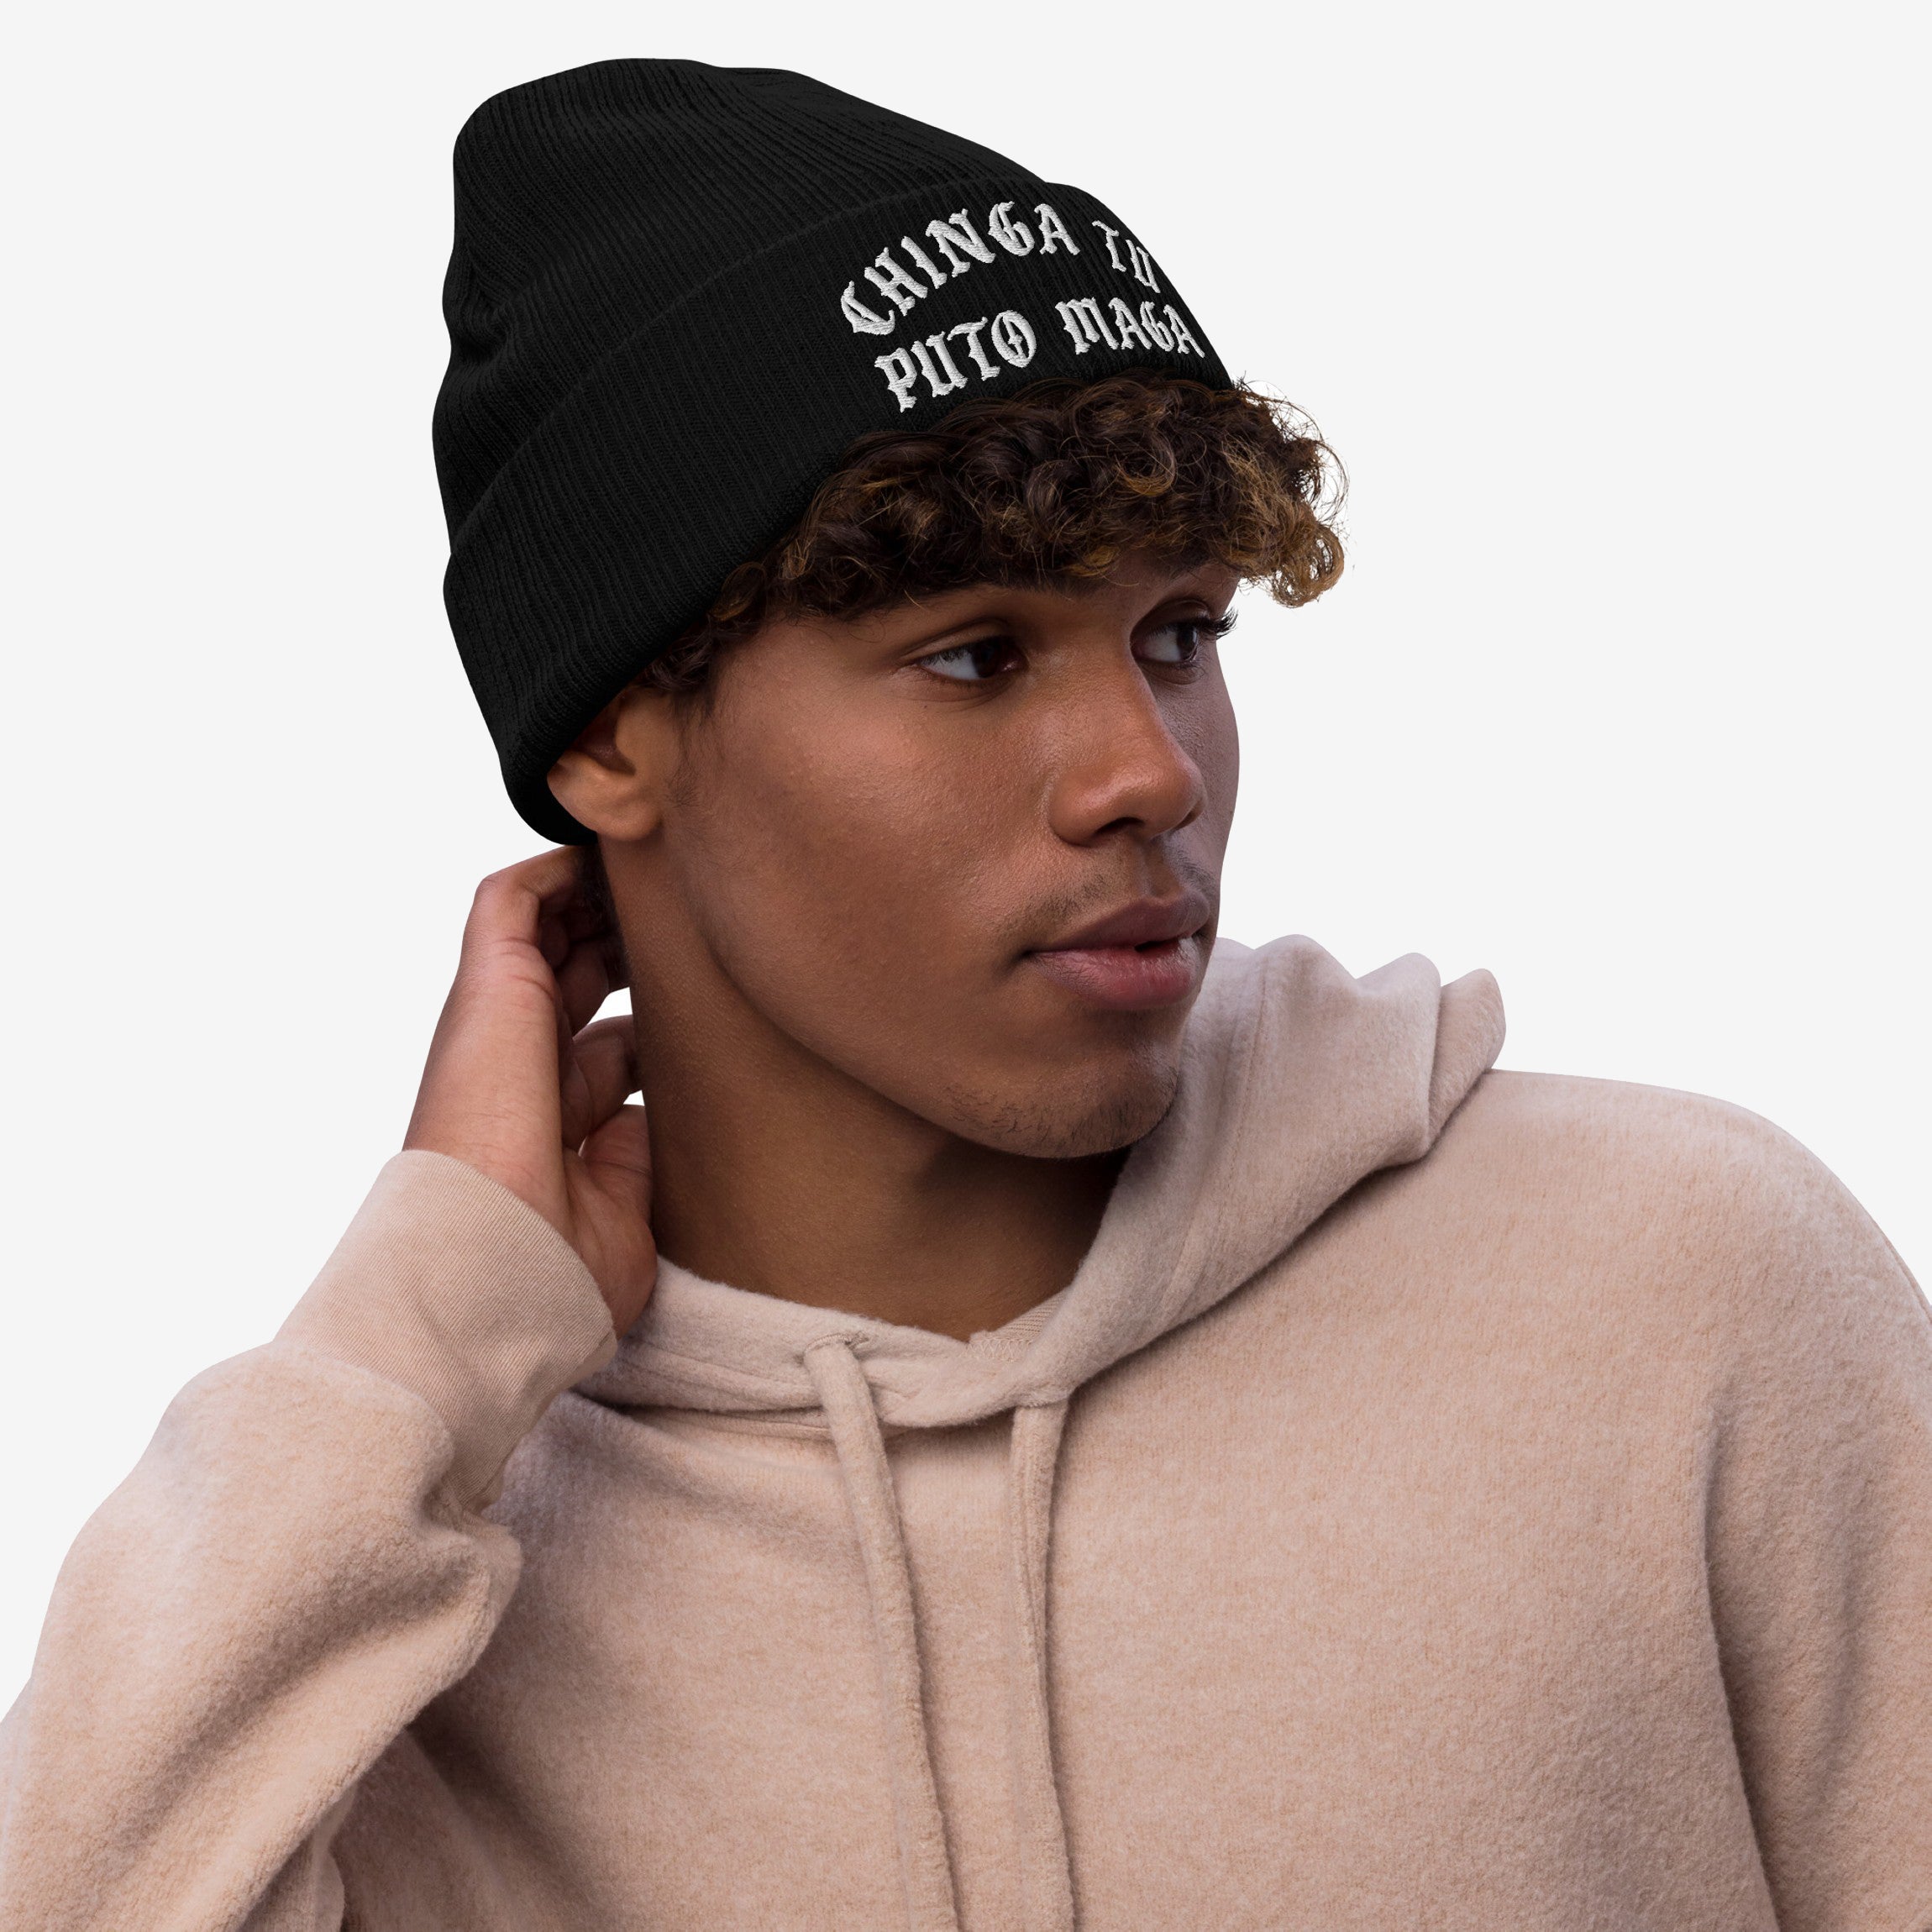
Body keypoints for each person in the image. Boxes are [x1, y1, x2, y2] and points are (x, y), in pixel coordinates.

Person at [2, 57, 1927, 1932]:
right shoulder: (399, 1557)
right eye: (975, 655)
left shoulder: (1682, 1295)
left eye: (1179, 633)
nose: (1149, 770)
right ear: (610, 737)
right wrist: (417, 1329)